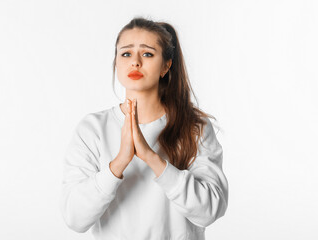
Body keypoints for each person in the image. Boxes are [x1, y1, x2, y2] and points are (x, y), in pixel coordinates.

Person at [61, 16, 229, 240]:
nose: (135, 62)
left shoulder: (194, 127)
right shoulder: (92, 129)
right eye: (126, 53)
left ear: (166, 66)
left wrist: (151, 157)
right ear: (116, 62)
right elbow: (75, 218)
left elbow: (209, 211)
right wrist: (120, 161)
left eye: (148, 54)